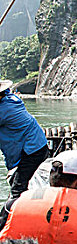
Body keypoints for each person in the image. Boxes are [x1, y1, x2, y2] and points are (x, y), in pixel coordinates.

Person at [0, 80, 49, 222]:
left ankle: (4, 223)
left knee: (17, 189)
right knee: (18, 182)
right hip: (36, 144)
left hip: (32, 149)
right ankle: (27, 216)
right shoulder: (11, 99)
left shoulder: (5, 110)